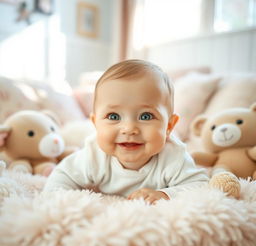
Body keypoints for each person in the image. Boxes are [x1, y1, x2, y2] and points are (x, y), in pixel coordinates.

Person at [44, 59, 209, 204]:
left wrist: (165, 194)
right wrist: (57, 202)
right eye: (114, 116)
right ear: (96, 124)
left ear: (168, 127)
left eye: (145, 116)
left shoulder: (173, 156)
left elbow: (200, 186)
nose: (129, 128)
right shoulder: (94, 155)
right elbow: (63, 176)